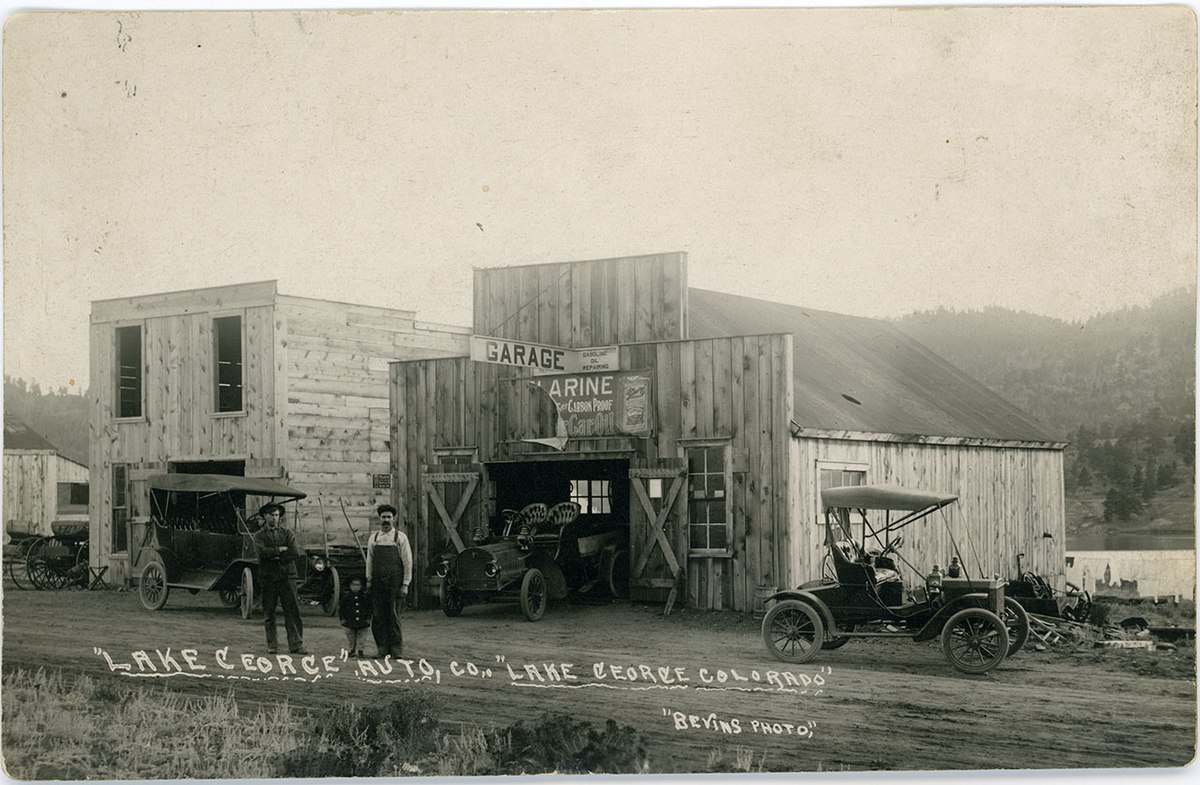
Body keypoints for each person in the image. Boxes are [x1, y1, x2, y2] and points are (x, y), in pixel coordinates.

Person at [252, 502, 306, 655]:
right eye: (271, 515)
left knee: (292, 611)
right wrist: (280, 550)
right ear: (265, 516)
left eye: (277, 515)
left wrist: (275, 556)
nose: (275, 518)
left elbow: (295, 552)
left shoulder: (287, 533)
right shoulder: (259, 535)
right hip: (268, 578)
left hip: (287, 576)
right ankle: (272, 645)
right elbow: (261, 553)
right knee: (269, 613)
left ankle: (296, 644)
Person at [365, 504, 412, 658]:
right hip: (378, 582)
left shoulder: (400, 537)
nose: (386, 520)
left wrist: (405, 584)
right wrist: (369, 580)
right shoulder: (374, 538)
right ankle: (382, 649)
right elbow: (370, 561)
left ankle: (396, 650)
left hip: (395, 583)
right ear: (379, 518)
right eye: (383, 517)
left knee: (393, 615)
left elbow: (407, 562)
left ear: (394, 518)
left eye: (389, 517)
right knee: (378, 616)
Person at [338, 576, 372, 658]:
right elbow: (341, 609)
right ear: (350, 586)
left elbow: (369, 608)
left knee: (362, 637)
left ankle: (360, 650)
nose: (355, 587)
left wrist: (368, 618)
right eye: (353, 585)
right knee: (351, 636)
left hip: (362, 621)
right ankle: (352, 650)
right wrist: (342, 618)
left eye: (358, 585)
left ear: (361, 586)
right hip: (349, 620)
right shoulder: (346, 597)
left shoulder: (365, 597)